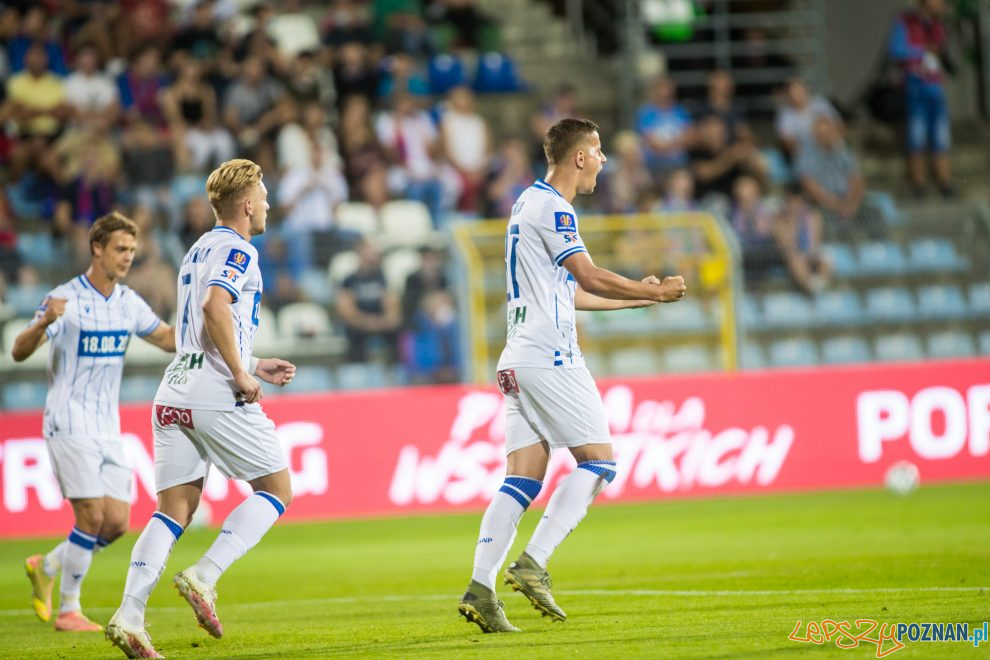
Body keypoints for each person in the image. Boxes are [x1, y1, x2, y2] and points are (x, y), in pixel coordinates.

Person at [457, 118, 687, 633]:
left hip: (518, 356)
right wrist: (652, 293)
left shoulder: (526, 204)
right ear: (578, 156)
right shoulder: (553, 207)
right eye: (598, 151)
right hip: (549, 356)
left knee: (520, 480)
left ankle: (480, 587)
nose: (603, 160)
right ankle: (533, 562)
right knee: (600, 465)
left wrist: (635, 303)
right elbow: (588, 274)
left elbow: (573, 293)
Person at [104, 159, 297, 658]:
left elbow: (196, 328)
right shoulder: (240, 249)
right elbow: (215, 307)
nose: (269, 202)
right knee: (276, 490)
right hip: (215, 391)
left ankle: (129, 614)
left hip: (174, 390)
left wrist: (254, 359)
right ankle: (204, 576)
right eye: (265, 194)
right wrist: (240, 373)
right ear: (248, 204)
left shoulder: (198, 248)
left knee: (174, 510)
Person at [13, 212, 176, 632]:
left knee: (117, 522)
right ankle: (69, 609)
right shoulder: (63, 299)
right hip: (68, 421)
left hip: (107, 427)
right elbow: (18, 349)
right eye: (120, 249)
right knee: (90, 516)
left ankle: (46, 565)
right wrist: (46, 321)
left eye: (132, 251)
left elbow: (166, 339)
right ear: (97, 248)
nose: (127, 258)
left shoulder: (127, 302)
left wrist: (209, 331)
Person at [889, 0, 954, 197]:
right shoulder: (905, 22)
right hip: (915, 87)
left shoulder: (938, 25)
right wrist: (921, 51)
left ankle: (945, 182)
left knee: (941, 136)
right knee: (916, 135)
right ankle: (918, 184)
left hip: (935, 87)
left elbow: (941, 53)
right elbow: (896, 50)